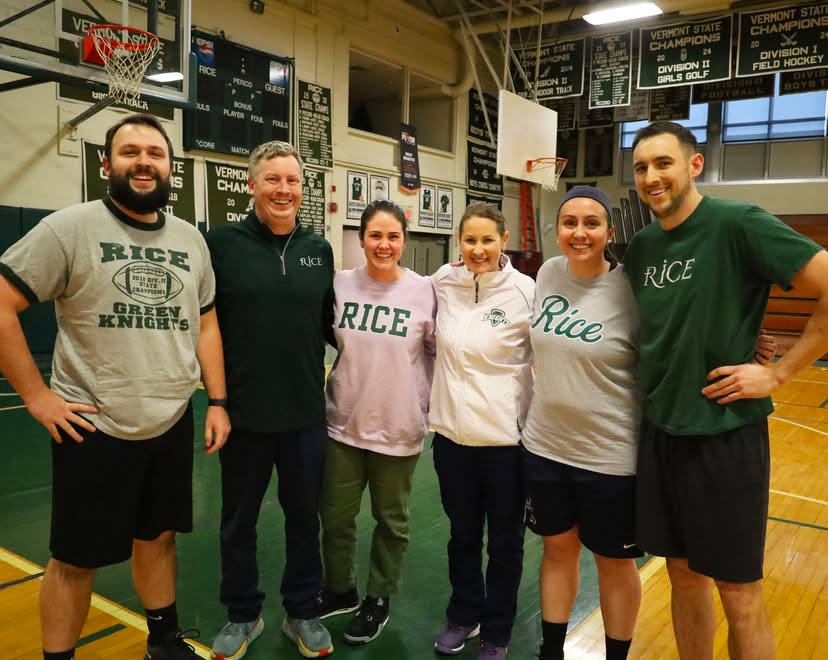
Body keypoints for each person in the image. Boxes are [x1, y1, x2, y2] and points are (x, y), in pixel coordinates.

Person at [0, 113, 230, 660]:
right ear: (105, 164)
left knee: (159, 538)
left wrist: (217, 400)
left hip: (171, 421)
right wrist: (37, 396)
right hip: (93, 425)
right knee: (74, 560)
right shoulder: (67, 228)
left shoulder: (191, 240)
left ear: (172, 167)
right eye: (130, 152)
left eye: (155, 152)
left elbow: (208, 324)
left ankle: (164, 641)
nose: (144, 162)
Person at [626, 120, 828, 659]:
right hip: (661, 433)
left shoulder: (739, 223)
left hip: (725, 435)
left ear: (694, 165)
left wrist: (780, 372)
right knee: (682, 578)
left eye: (663, 163)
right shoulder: (642, 247)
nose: (652, 177)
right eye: (642, 167)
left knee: (739, 593)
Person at [207, 141, 335, 659]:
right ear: (253, 184)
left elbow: (334, 325)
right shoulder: (221, 245)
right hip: (243, 415)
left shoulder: (320, 250)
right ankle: (242, 613)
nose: (284, 190)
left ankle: (302, 610)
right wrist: (216, 400)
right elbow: (204, 323)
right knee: (238, 521)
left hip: (305, 414)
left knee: (305, 518)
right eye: (273, 180)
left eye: (293, 181)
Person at [522, 187, 642, 660]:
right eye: (569, 223)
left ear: (609, 232)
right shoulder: (549, 273)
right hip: (545, 447)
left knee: (613, 564)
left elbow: (682, 332)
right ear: (558, 231)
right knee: (556, 551)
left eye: (591, 223)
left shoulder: (631, 288)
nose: (579, 233)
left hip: (610, 456)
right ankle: (551, 652)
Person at [317, 199, 436, 644]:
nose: (383, 245)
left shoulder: (425, 290)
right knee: (336, 516)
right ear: (361, 238)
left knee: (392, 522)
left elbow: (440, 352)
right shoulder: (341, 283)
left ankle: (378, 598)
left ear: (404, 239)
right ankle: (340, 589)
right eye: (375, 235)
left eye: (393, 236)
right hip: (343, 422)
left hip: (399, 425)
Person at [429, 202, 534, 660]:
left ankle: (497, 632)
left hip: (506, 447)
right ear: (458, 242)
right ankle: (464, 615)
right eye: (469, 240)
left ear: (504, 241)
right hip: (452, 441)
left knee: (506, 544)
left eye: (487, 240)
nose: (478, 249)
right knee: (463, 536)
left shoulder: (526, 291)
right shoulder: (441, 283)